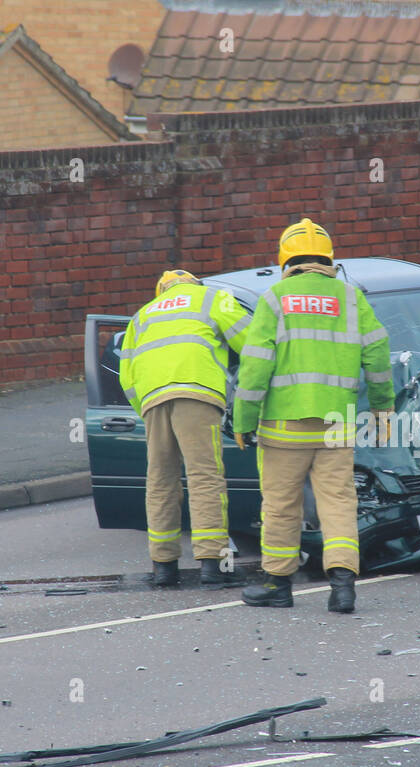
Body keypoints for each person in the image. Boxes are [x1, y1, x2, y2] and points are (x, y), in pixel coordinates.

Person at [234, 219, 395, 613]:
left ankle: (278, 586)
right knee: (338, 503)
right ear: (329, 258)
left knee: (281, 504)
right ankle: (342, 588)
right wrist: (382, 407)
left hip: (283, 426)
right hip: (336, 424)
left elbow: (255, 367)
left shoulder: (275, 299)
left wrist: (244, 419)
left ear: (285, 259)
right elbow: (377, 353)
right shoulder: (351, 298)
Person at [118, 269, 250, 589]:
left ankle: (164, 568)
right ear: (194, 284)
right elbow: (251, 340)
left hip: (153, 401)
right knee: (204, 476)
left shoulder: (142, 315)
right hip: (196, 393)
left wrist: (147, 408)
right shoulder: (211, 298)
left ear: (161, 291)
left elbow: (126, 377)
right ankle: (212, 566)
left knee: (161, 479)